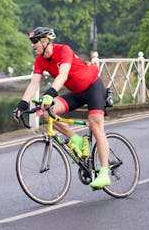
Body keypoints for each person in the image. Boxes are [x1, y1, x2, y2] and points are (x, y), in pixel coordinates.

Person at [13, 27, 111, 188]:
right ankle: (78, 141)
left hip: (93, 86)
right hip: (77, 92)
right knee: (47, 113)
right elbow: (34, 83)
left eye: (35, 41)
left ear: (46, 41)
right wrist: (22, 105)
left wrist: (50, 93)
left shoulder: (64, 50)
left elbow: (63, 74)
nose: (32, 45)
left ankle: (104, 173)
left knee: (95, 125)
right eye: (31, 42)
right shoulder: (39, 60)